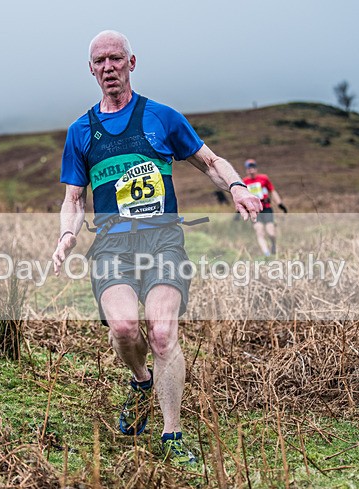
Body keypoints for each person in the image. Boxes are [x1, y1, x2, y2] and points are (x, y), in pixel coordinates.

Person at [51, 30, 261, 466]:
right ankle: (141, 381)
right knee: (125, 329)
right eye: (99, 61)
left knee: (162, 333)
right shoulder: (81, 132)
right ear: (91, 70)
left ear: (132, 62)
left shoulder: (162, 118)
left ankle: (171, 434)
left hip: (164, 242)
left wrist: (238, 187)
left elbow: (210, 161)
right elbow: (74, 199)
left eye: (115, 58)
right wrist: (67, 237)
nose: (108, 67)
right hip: (111, 248)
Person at [241, 158, 287, 256]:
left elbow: (272, 191)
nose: (251, 170)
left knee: (270, 232)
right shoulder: (244, 182)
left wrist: (280, 204)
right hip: (253, 210)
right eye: (249, 168)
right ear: (246, 170)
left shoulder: (264, 178)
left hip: (266, 208)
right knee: (259, 230)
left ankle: (273, 244)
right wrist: (239, 211)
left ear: (256, 169)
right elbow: (241, 197)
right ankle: (267, 254)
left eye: (253, 167)